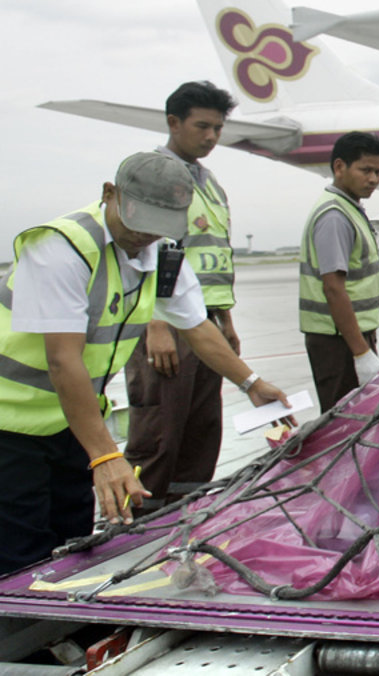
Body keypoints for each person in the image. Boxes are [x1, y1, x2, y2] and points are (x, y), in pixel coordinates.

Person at [0, 152, 289, 575]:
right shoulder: (62, 248)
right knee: (20, 548)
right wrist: (104, 457)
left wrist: (251, 383)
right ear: (110, 195)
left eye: (161, 222)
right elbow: (63, 361)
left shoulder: (160, 253)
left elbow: (197, 327)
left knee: (71, 542)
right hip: (10, 424)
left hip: (69, 422)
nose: (147, 234)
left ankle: (62, 634)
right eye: (140, 217)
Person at [123, 82, 241, 513]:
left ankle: (184, 517)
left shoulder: (209, 183)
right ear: (174, 123)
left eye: (218, 128)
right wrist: (154, 321)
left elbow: (214, 255)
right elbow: (140, 249)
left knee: (202, 428)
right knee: (159, 430)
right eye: (202, 126)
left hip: (206, 321)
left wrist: (226, 321)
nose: (211, 137)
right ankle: (134, 523)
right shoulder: (154, 175)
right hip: (168, 321)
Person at [299, 131, 379, 412]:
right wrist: (360, 353)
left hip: (350, 336)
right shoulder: (335, 216)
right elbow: (333, 288)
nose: (373, 179)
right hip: (338, 342)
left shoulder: (349, 209)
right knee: (345, 426)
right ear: (339, 167)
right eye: (365, 170)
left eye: (378, 171)